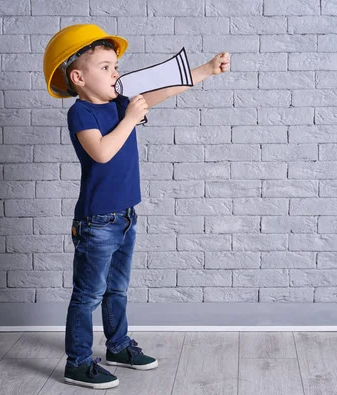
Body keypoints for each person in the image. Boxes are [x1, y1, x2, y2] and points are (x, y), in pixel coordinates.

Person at [42, 24, 230, 389]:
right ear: (79, 77)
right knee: (88, 295)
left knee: (117, 289)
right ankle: (78, 362)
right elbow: (102, 152)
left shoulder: (119, 103)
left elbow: (163, 91)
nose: (116, 73)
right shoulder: (82, 114)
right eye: (107, 67)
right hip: (97, 221)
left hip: (126, 215)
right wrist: (130, 118)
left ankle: (118, 347)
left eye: (115, 66)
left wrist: (205, 70)